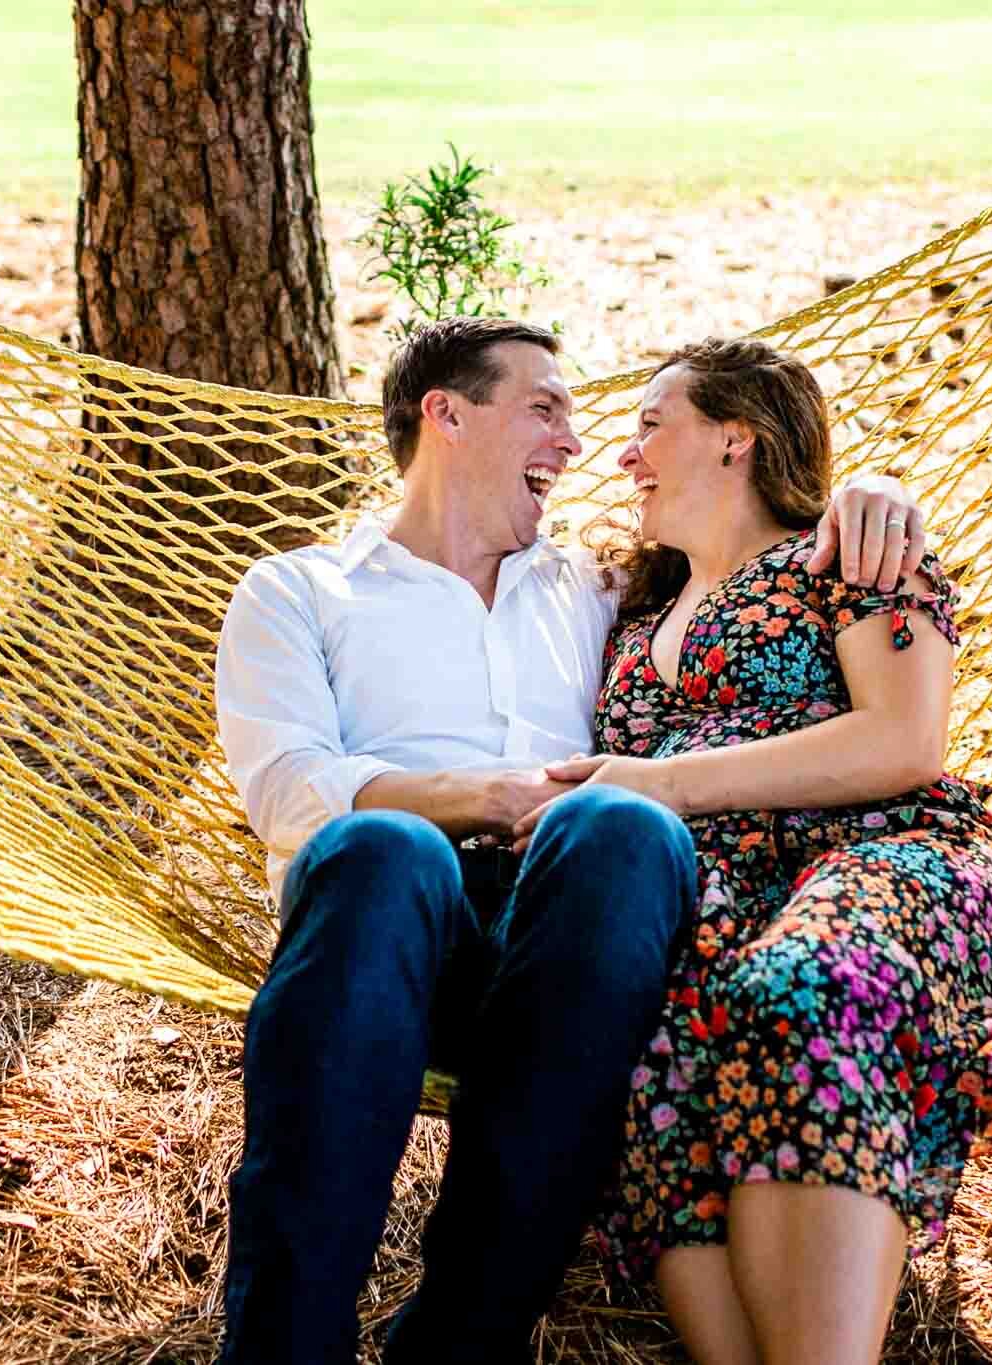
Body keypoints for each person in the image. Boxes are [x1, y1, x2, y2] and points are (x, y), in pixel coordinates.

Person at [212, 317, 931, 1365]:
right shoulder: (298, 591)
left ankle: (463, 1341)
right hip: (376, 945)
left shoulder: (601, 591)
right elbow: (286, 792)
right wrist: (482, 798)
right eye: (544, 409)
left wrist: (874, 488)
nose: (575, 443)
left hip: (571, 951)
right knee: (388, 852)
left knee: (620, 824)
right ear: (445, 415)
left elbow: (754, 546)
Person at [512, 337, 992, 1365]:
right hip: (706, 899)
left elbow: (903, 742)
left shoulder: (846, 555)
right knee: (654, 1062)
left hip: (886, 858)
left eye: (648, 424)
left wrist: (662, 783)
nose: (623, 454)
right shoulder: (619, 608)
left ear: (735, 437)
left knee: (798, 983)